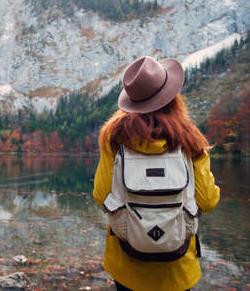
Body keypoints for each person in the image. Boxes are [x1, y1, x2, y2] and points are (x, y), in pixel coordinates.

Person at [92, 56, 220, 291]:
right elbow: (207, 201)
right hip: (178, 268)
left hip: (127, 264)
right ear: (172, 98)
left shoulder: (114, 138)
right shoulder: (190, 140)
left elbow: (102, 196)